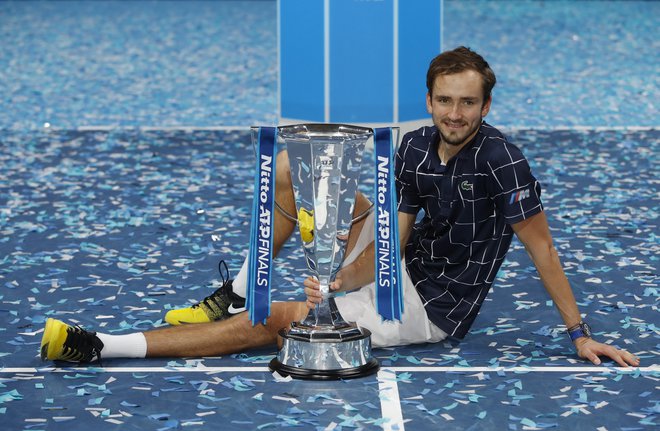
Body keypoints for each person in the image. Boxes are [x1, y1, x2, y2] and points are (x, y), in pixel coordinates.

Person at [40, 46, 639, 368]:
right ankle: (241, 292)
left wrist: (580, 334)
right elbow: (393, 238)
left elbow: (543, 249)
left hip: (430, 308)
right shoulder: (415, 146)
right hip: (397, 272)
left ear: (485, 105)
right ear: (429, 101)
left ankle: (103, 346)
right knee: (289, 174)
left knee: (277, 324)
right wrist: (340, 279)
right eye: (444, 101)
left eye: (468, 103)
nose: (455, 114)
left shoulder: (503, 162)